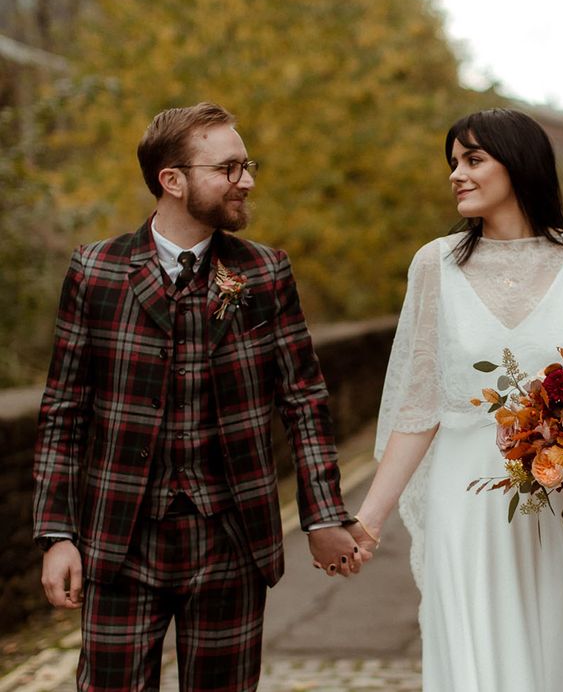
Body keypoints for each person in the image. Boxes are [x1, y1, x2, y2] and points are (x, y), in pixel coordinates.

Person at [32, 102, 370, 691]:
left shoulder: (265, 272)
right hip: (120, 541)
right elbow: (64, 412)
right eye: (230, 168)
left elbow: (303, 401)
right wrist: (57, 534)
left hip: (232, 538)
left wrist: (322, 513)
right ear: (173, 179)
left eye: (247, 165)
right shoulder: (97, 270)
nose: (247, 181)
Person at [349, 108, 563, 691]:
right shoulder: (435, 264)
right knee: (478, 653)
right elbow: (417, 403)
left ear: (519, 165)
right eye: (453, 162)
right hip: (468, 494)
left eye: (473, 159)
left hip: (562, 497)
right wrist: (368, 521)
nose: (457, 173)